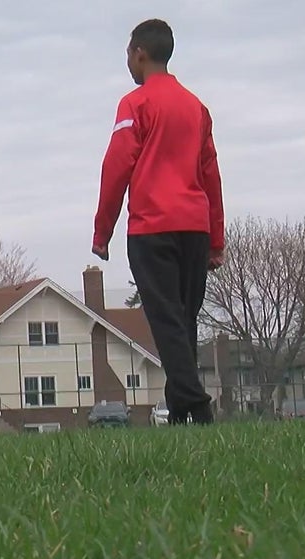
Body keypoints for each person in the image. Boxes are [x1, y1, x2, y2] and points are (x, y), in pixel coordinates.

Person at [91, 19, 225, 425]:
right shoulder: (196, 107)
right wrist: (216, 239)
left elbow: (117, 165)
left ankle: (197, 406)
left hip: (152, 226)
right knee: (183, 319)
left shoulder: (135, 104)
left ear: (139, 54)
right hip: (195, 226)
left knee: (165, 318)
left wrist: (103, 230)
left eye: (128, 56)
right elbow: (211, 174)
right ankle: (181, 410)